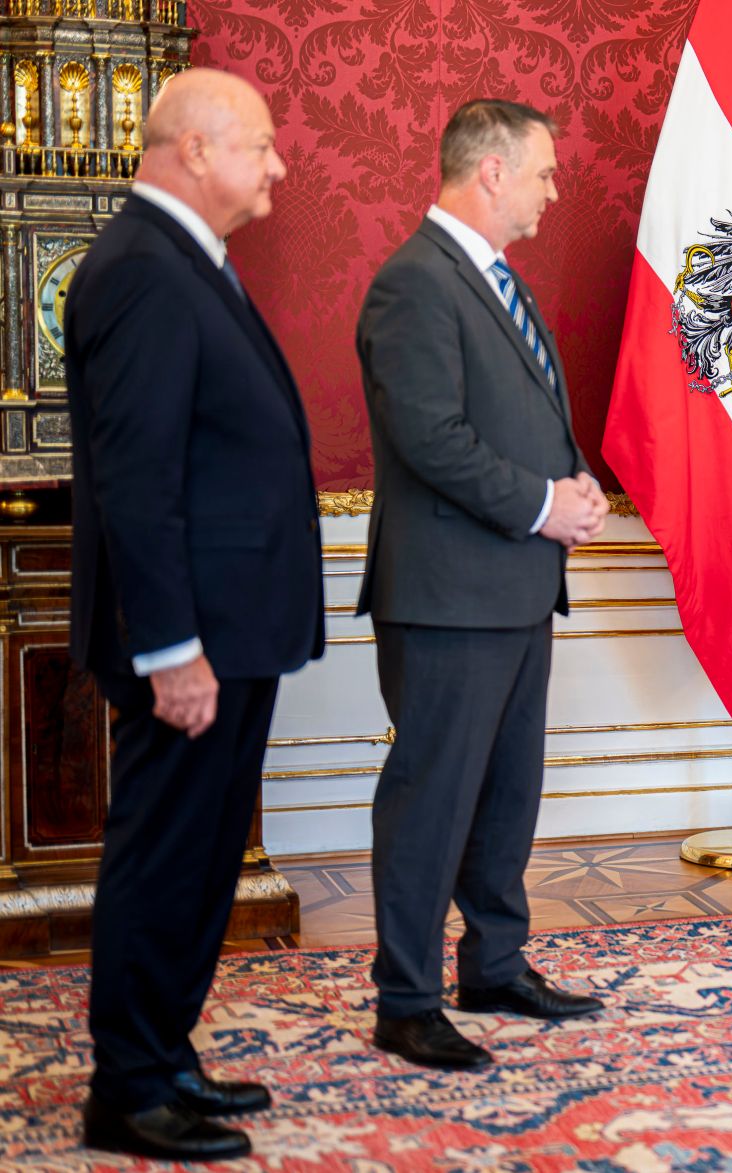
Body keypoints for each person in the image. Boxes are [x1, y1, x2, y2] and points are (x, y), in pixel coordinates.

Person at [68, 69, 324, 1161]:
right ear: (191, 150)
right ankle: (126, 1088)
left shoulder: (185, 263)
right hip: (191, 642)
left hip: (231, 631)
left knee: (206, 856)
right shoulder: (141, 271)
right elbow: (137, 480)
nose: (276, 166)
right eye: (259, 146)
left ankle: (166, 1056)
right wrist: (171, 649)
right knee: (165, 854)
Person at [357, 98, 609, 1070]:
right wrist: (545, 504)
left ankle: (494, 963)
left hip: (511, 586)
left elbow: (516, 417)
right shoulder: (413, 283)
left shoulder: (496, 280)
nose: (554, 190)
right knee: (434, 797)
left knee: (506, 793)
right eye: (543, 172)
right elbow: (430, 440)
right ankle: (406, 1000)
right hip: (447, 593)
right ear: (492, 171)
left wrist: (569, 490)